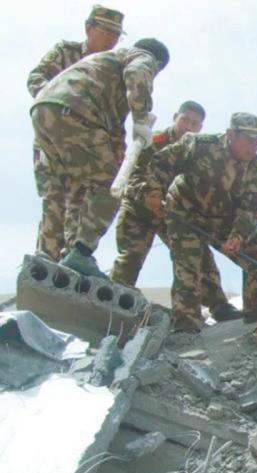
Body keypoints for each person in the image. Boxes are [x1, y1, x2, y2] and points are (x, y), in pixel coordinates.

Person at [30, 38, 170, 278]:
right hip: (76, 111)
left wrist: (120, 144)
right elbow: (138, 73)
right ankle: (81, 252)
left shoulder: (106, 67)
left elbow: (113, 124)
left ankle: (51, 257)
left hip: (44, 109)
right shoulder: (142, 57)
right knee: (110, 185)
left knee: (67, 190)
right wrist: (141, 117)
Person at [147, 112, 257, 332]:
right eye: (250, 139)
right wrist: (153, 192)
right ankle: (186, 325)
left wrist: (238, 237)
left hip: (222, 219)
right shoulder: (199, 145)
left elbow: (252, 208)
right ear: (231, 134)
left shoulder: (256, 170)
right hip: (184, 212)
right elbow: (162, 162)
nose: (255, 146)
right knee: (189, 263)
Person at [109, 101, 241, 322]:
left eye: (194, 123)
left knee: (199, 256)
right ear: (174, 117)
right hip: (138, 209)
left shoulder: (199, 151)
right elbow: (133, 175)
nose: (188, 126)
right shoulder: (154, 142)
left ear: (200, 127)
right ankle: (113, 304)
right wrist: (149, 195)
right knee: (130, 257)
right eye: (184, 120)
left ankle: (219, 306)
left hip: (172, 214)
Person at [27, 4, 125, 261]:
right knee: (54, 198)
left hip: (87, 144)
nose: (112, 39)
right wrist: (63, 99)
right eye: (106, 31)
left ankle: (70, 260)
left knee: (82, 201)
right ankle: (46, 259)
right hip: (54, 138)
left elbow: (118, 117)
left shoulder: (115, 70)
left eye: (116, 35)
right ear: (88, 28)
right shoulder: (66, 52)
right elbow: (36, 79)